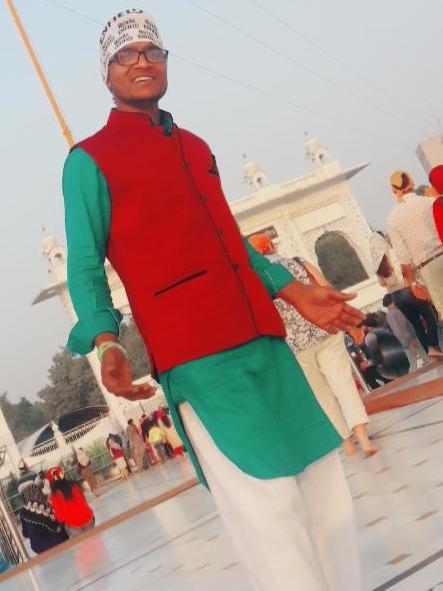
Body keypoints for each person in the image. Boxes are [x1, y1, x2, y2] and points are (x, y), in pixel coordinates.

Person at [62, 10, 365, 590]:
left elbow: (231, 242)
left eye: (153, 51)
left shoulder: (195, 147)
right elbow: (84, 263)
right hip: (197, 355)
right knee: (266, 509)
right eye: (127, 54)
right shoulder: (89, 161)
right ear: (107, 72)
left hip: (263, 339)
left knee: (326, 490)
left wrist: (293, 289)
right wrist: (106, 340)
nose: (143, 61)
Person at [249, 234, 376, 457]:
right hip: (325, 331)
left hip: (295, 344)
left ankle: (346, 444)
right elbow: (327, 289)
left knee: (321, 396)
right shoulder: (299, 263)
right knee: (344, 384)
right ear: (270, 246)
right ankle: (363, 438)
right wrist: (349, 325)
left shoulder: (259, 280)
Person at [370, 231, 439, 358]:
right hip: (408, 290)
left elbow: (382, 283)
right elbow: (408, 268)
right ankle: (433, 346)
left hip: (396, 297)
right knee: (429, 316)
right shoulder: (393, 253)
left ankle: (430, 351)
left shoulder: (377, 264)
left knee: (417, 325)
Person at [388, 170, 443, 324]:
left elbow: (403, 256)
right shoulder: (430, 202)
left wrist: (412, 282)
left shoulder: (393, 218)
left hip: (427, 267)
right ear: (412, 184)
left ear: (394, 190)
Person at [19, 482, 68, 554]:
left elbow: (25, 534)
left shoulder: (23, 513)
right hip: (60, 540)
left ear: (24, 496)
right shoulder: (48, 505)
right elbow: (60, 522)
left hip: (39, 547)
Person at [46, 467, 95, 537]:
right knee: (94, 538)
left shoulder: (54, 495)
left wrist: (61, 526)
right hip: (89, 518)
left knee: (83, 542)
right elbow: (84, 501)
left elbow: (60, 516)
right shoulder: (75, 485)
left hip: (74, 525)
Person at [382, 293, 426, 371]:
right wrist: (410, 340)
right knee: (425, 357)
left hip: (405, 341)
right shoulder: (394, 312)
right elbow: (400, 329)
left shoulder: (390, 314)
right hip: (409, 340)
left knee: (413, 364)